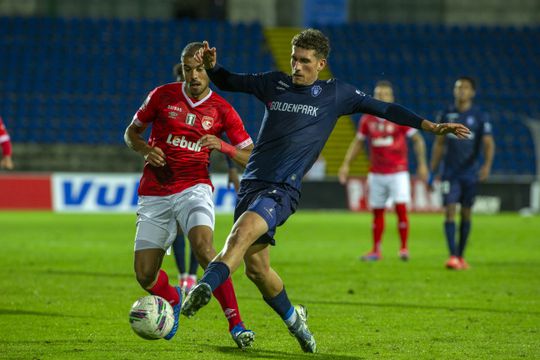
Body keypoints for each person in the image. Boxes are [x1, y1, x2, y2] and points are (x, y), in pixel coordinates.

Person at [181, 29, 469, 353]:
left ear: (321, 64)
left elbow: (384, 109)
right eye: (294, 59)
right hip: (251, 184)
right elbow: (230, 81)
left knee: (240, 234)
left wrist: (429, 126)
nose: (297, 67)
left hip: (282, 189)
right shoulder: (273, 83)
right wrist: (214, 68)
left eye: (305, 61)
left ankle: (205, 287)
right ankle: (295, 320)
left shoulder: (336, 94)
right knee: (257, 270)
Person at [124, 42, 255, 348]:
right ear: (181, 68)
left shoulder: (222, 109)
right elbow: (131, 133)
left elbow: (251, 156)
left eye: (199, 69)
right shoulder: (162, 95)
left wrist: (223, 146)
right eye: (187, 69)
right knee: (144, 276)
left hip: (194, 187)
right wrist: (145, 149)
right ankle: (173, 298)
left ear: (208, 69)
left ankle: (236, 324)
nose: (193, 75)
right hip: (154, 191)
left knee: (204, 247)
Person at [338, 80, 429, 261]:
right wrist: (346, 164)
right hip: (376, 173)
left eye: (385, 94)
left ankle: (403, 249)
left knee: (401, 209)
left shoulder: (399, 117)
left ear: (391, 97)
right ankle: (376, 250)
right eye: (379, 94)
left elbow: (417, 139)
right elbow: (358, 142)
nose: (382, 97)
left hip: (398, 172)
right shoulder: (367, 120)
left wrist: (422, 164)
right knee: (377, 211)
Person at [170, 63, 241, 294]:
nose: (191, 78)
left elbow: (220, 135)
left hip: (196, 177)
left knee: (194, 231)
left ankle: (191, 277)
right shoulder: (171, 103)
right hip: (170, 176)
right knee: (178, 230)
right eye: (185, 74)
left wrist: (231, 169)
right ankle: (184, 277)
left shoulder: (211, 106)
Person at [429, 76, 495, 270]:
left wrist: (487, 166)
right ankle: (452, 257)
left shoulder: (480, 116)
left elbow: (488, 143)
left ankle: (461, 255)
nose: (461, 91)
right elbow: (439, 144)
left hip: (470, 173)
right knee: (449, 210)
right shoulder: (446, 114)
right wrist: (432, 170)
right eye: (458, 87)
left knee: (466, 213)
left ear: (472, 92)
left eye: (465, 88)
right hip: (450, 173)